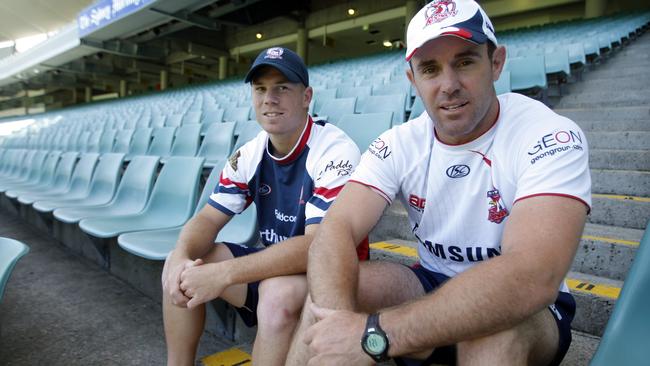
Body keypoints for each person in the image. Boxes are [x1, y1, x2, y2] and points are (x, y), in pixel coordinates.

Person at [285, 1, 591, 365]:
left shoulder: (549, 134)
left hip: (534, 310)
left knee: (492, 333)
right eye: (430, 69)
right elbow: (335, 230)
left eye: (465, 62)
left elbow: (531, 274)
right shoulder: (398, 142)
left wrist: (374, 336)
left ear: (496, 63)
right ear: (413, 79)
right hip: (431, 280)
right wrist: (335, 326)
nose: (449, 85)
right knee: (330, 289)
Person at [161, 46, 367, 366]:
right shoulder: (250, 153)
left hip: (332, 276)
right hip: (275, 265)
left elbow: (319, 248)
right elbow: (207, 219)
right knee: (181, 264)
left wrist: (225, 273)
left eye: (282, 88)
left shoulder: (335, 151)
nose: (269, 98)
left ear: (306, 96)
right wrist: (183, 256)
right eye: (260, 89)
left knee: (275, 296)